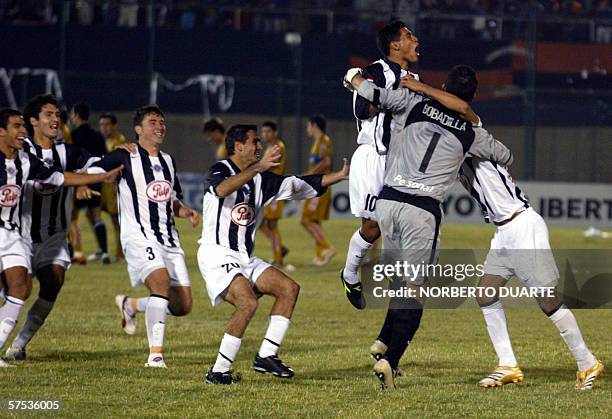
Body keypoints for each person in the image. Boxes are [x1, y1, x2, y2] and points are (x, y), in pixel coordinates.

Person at [344, 65, 513, 389]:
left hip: (389, 201)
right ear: (473, 97)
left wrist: (354, 76)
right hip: (421, 211)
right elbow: (504, 155)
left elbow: (370, 93)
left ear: (443, 85)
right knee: (416, 292)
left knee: (398, 280)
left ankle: (383, 340)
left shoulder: (414, 103)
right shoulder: (471, 132)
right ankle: (389, 362)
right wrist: (471, 124)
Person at [450, 69, 604, 390]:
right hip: (504, 231)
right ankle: (507, 365)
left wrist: (412, 87)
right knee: (485, 293)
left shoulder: (471, 132)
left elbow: (463, 112)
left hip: (522, 226)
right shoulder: (456, 141)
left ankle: (587, 363)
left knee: (547, 301)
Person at [198, 124, 349, 384]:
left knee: (288, 288)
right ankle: (218, 371)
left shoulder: (262, 180)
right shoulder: (220, 169)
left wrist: (339, 175)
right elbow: (221, 190)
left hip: (244, 256)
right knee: (248, 303)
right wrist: (258, 167)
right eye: (254, 142)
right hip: (217, 254)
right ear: (239, 146)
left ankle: (266, 354)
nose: (260, 146)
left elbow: (298, 184)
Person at [0, 108, 121, 367]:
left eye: (58, 116)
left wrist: (94, 178)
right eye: (48, 115)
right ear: (34, 121)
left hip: (42, 235)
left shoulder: (43, 157)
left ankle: (18, 344)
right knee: (18, 288)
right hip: (22, 230)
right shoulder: (25, 150)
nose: (55, 120)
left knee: (37, 284)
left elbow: (63, 176)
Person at [87, 105, 199, 368]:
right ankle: (155, 355)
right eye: (152, 122)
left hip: (169, 240)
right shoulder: (125, 155)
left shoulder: (169, 161)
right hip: (138, 236)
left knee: (183, 305)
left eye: (162, 122)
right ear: (138, 130)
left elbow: (171, 199)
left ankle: (131, 304)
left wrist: (185, 211)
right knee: (160, 283)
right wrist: (95, 181)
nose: (159, 126)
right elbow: (92, 168)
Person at [341, 20, 420, 310]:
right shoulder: (375, 72)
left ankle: (395, 281)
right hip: (374, 155)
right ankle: (349, 273)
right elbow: (362, 108)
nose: (416, 41)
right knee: (373, 227)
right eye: (409, 36)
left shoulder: (414, 78)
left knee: (401, 222)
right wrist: (394, 95)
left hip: (401, 159)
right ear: (395, 45)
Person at [70, 102, 110, 264]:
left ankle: (74, 253)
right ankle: (105, 252)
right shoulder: (97, 136)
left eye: (73, 115)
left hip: (77, 180)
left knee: (71, 217)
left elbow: (70, 159)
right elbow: (104, 158)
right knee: (96, 215)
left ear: (77, 116)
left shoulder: (73, 136)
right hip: (95, 179)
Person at [258, 121, 293, 271]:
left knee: (271, 224)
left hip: (275, 189)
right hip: (269, 189)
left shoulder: (278, 147)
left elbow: (270, 167)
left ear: (275, 133)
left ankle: (278, 260)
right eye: (263, 132)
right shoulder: (270, 147)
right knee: (261, 223)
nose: (265, 134)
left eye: (268, 132)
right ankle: (279, 249)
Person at [301, 114, 336, 266]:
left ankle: (327, 247)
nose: (307, 129)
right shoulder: (317, 142)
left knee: (306, 219)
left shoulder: (323, 141)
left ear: (314, 125)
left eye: (308, 125)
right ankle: (320, 254)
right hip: (316, 184)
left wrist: (310, 174)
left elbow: (326, 161)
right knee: (313, 220)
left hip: (320, 185)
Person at [99, 113, 127, 260]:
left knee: (117, 221)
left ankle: (120, 253)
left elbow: (121, 165)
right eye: (102, 125)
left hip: (113, 186)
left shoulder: (119, 142)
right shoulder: (106, 142)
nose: (104, 128)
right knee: (100, 217)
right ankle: (104, 250)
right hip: (104, 186)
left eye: (107, 124)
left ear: (114, 126)